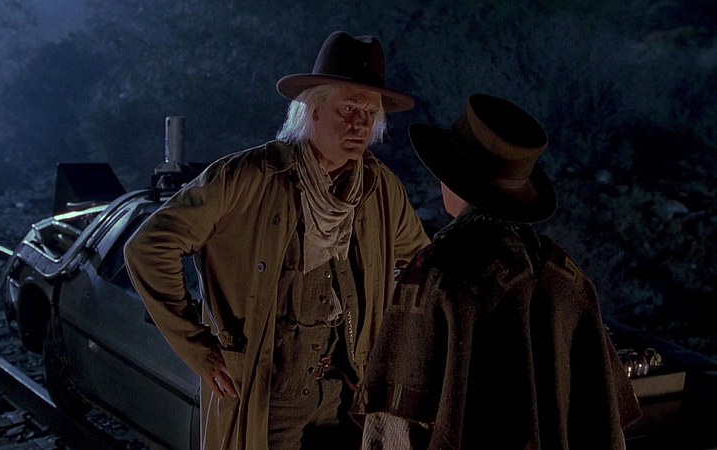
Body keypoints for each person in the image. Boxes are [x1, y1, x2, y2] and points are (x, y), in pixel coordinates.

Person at [124, 30, 430, 450]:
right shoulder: (248, 177)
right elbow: (148, 247)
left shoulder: (380, 189)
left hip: (346, 398)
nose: (360, 124)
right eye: (348, 108)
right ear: (314, 109)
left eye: (369, 112)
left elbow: (423, 264)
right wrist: (199, 348)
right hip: (267, 398)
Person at [353, 94, 642, 449]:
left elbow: (394, 427)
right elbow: (603, 418)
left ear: (455, 179)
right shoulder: (566, 274)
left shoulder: (437, 271)